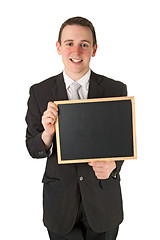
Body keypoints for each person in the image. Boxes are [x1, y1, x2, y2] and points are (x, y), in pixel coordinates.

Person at [25, 16, 127, 240]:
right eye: (69, 43)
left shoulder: (115, 89)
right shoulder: (39, 92)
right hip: (60, 205)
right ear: (59, 47)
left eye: (84, 44)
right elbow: (33, 148)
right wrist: (47, 133)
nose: (77, 51)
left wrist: (113, 165)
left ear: (94, 49)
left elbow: (122, 142)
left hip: (103, 202)